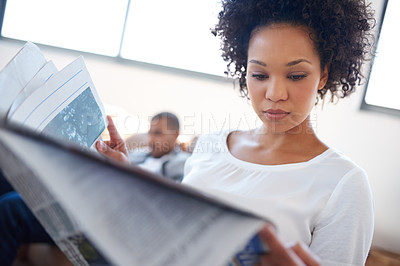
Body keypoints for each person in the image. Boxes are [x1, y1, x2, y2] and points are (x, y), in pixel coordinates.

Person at [97, 0, 376, 265]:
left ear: (323, 75)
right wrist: (127, 180)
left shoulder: (344, 185)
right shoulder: (210, 145)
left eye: (295, 76)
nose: (274, 94)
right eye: (259, 75)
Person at [129, 112, 190, 182]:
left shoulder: (184, 163)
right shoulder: (135, 154)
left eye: (157, 133)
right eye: (150, 133)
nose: (151, 140)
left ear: (175, 135)